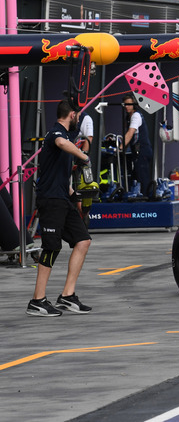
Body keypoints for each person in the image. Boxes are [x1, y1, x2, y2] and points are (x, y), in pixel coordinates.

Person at [27, 99, 93, 317]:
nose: (80, 121)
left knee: (83, 241)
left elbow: (61, 176)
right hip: (51, 201)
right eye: (79, 116)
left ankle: (67, 295)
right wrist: (84, 156)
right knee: (52, 247)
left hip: (63, 199)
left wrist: (77, 196)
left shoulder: (67, 140)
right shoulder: (56, 134)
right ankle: (37, 301)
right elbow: (61, 143)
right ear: (72, 115)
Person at [122, 93, 153, 198]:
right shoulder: (128, 117)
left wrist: (120, 148)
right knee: (135, 176)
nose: (126, 107)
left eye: (129, 104)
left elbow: (130, 133)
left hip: (142, 151)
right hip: (136, 152)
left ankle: (146, 198)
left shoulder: (136, 116)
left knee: (142, 177)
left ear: (134, 105)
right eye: (125, 104)